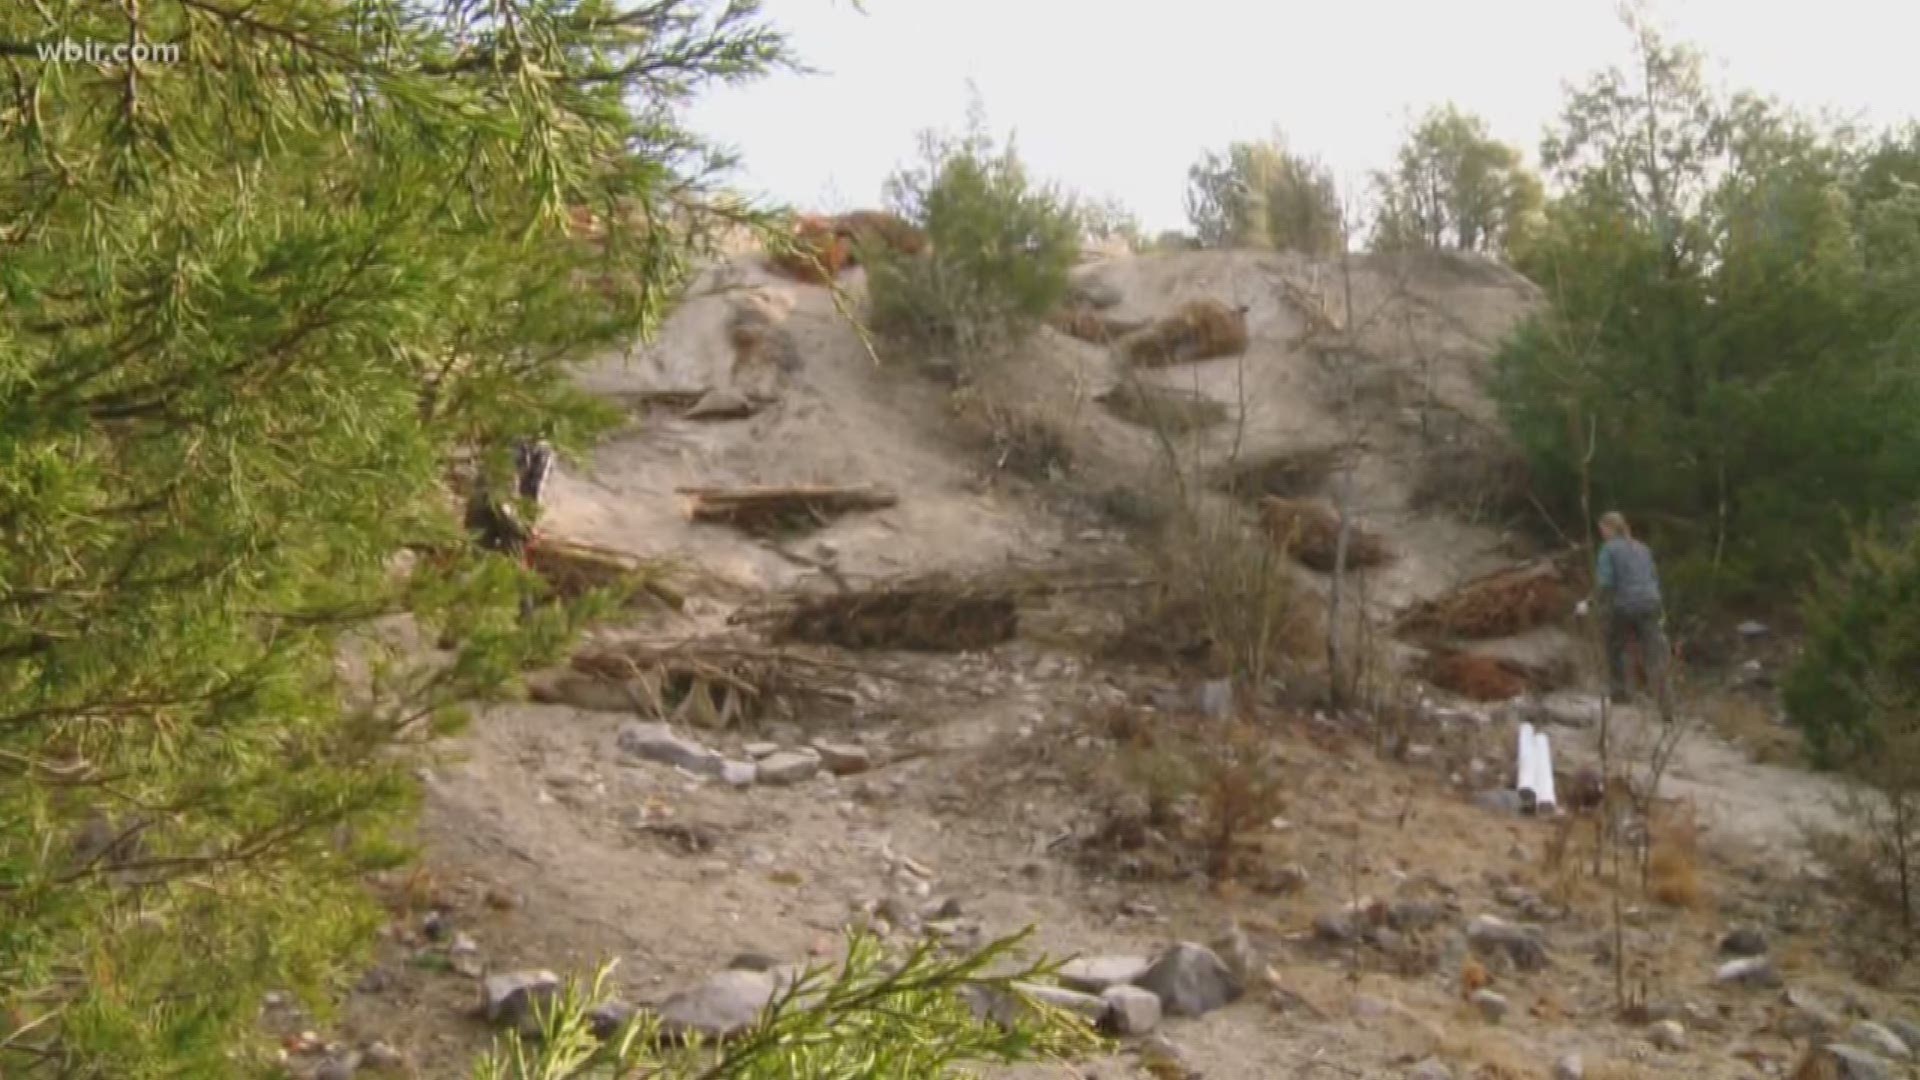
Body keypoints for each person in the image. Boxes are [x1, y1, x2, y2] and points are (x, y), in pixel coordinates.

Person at [1574, 511, 1672, 720]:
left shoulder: (1608, 550)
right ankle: (1666, 706)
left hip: (1625, 604)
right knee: (1654, 654)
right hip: (1650, 603)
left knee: (1614, 645)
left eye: (1602, 528)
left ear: (1609, 529)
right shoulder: (1642, 548)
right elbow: (1653, 577)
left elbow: (1605, 584)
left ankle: (1620, 694)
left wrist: (1588, 603)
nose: (1601, 533)